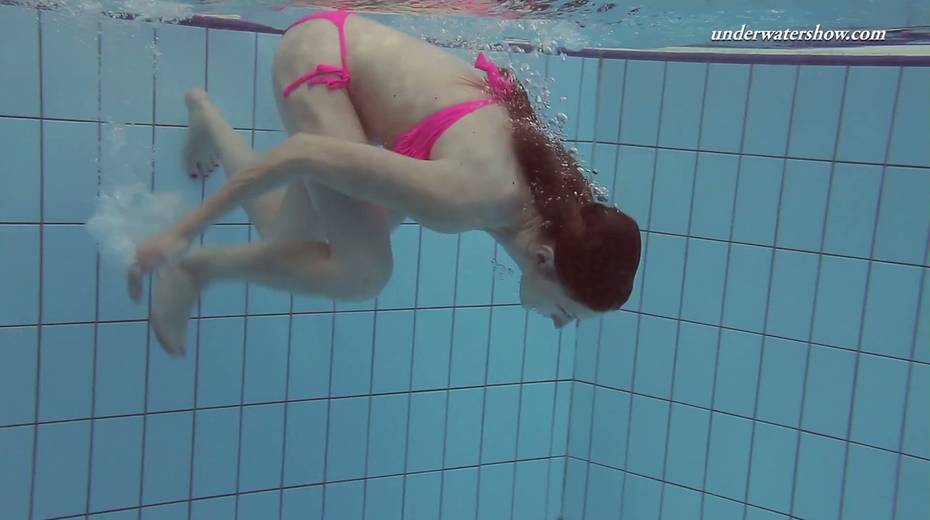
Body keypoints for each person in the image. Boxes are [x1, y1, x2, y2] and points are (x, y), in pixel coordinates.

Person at [129, 10, 641, 356]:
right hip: (320, 60)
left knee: (286, 232)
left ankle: (204, 115)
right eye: (566, 312)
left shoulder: (547, 205)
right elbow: (302, 154)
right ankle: (195, 269)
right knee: (365, 270)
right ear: (545, 260)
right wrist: (183, 232)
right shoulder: (469, 198)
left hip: (349, 59)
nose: (558, 324)